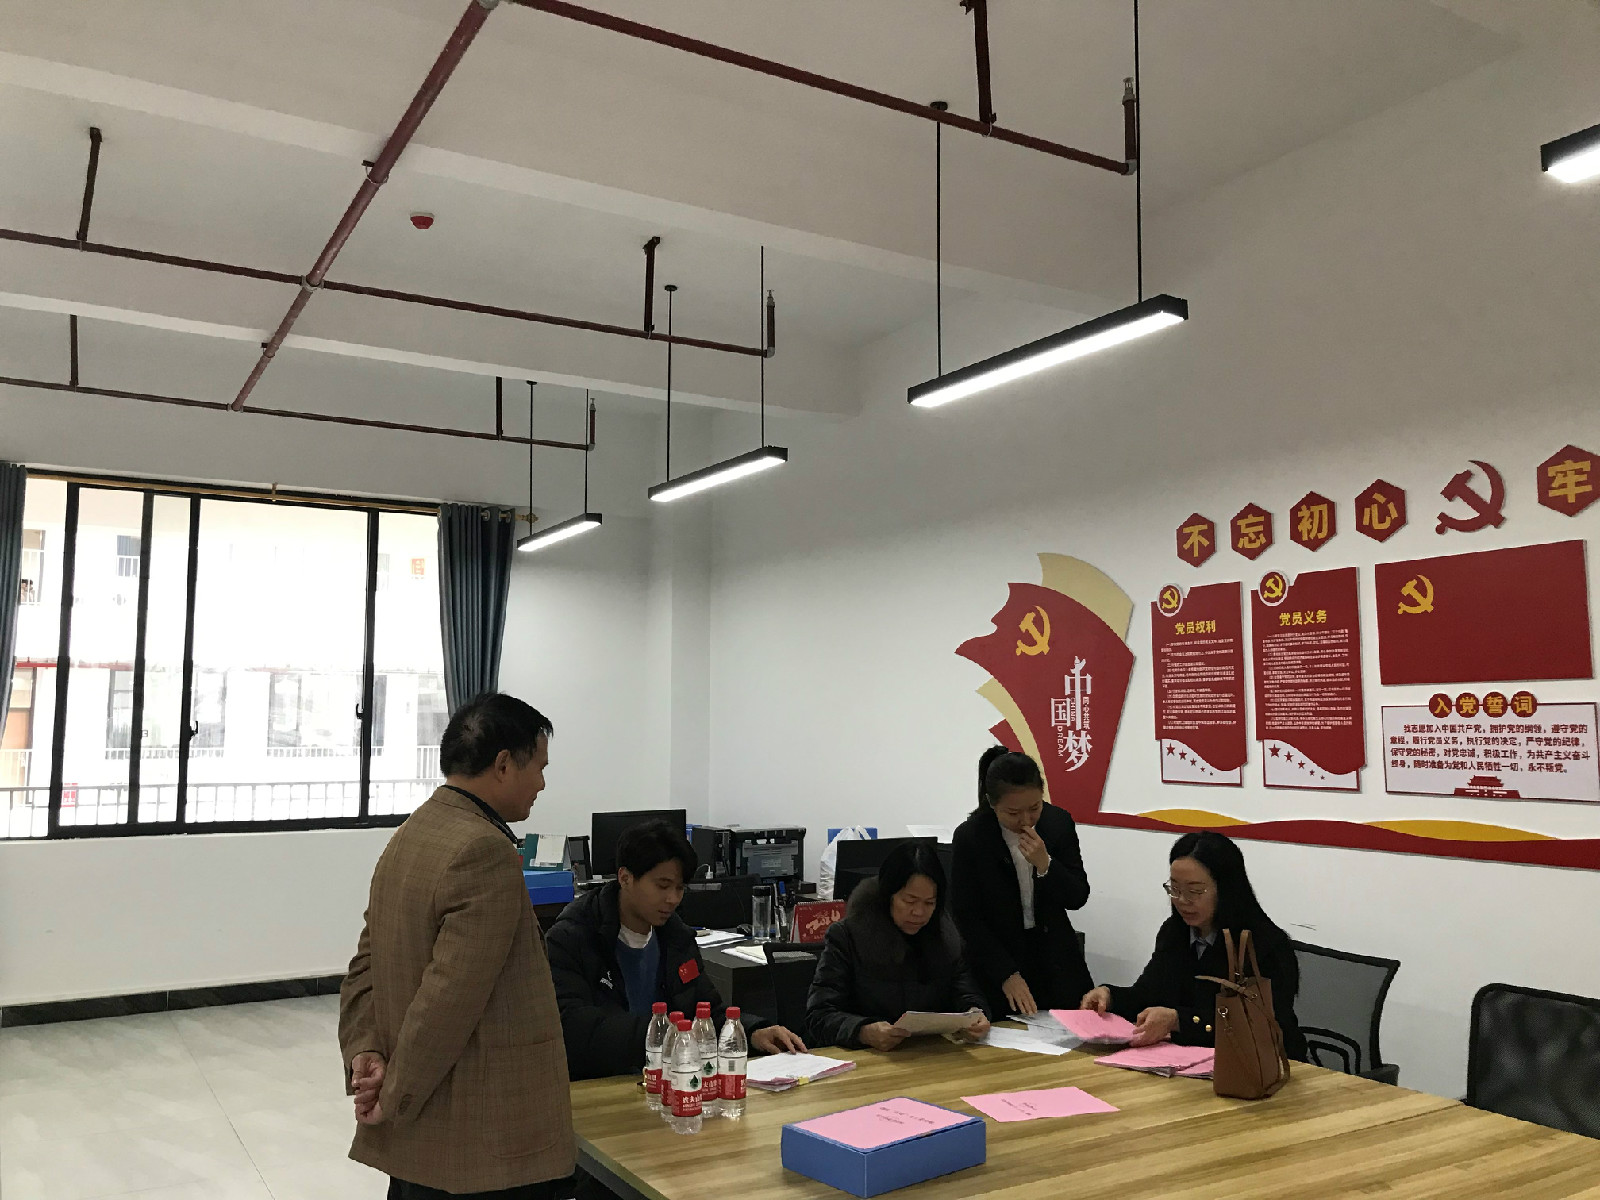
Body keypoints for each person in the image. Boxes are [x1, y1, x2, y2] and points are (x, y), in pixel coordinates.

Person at [339, 693, 575, 1200]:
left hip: (423, 1139)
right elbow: (449, 998)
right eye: (539, 767)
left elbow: (365, 966)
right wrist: (394, 1095)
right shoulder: (484, 849)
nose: (542, 783)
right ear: (504, 764)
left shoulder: (412, 832)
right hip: (481, 1141)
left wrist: (366, 1052)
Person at [547, 819, 808, 1080]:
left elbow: (706, 1014)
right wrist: (666, 1034)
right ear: (625, 878)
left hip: (672, 1081)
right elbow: (573, 1031)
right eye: (662, 886)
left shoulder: (676, 937)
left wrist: (751, 1032)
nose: (672, 899)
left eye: (680, 888)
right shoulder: (571, 938)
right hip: (601, 1084)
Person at [1081, 830, 1307, 1060]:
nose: (1182, 901)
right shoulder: (1175, 932)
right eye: (1175, 889)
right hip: (1190, 1063)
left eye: (1195, 891)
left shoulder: (1263, 945)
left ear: (1226, 889)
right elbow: (1148, 994)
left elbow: (1262, 1025)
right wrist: (1110, 996)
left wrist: (1179, 1021)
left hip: (1260, 1068)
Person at [950, 747, 1092, 1018]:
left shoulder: (1058, 823)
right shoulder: (972, 836)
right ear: (992, 803)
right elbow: (966, 915)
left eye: (1034, 808)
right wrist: (1005, 972)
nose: (1026, 820)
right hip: (999, 960)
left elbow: (1077, 896)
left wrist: (1046, 864)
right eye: (1013, 813)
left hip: (1055, 958)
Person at [806, 841, 990, 1050]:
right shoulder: (847, 937)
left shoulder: (945, 935)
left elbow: (966, 992)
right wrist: (863, 1031)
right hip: (866, 1057)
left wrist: (976, 1013)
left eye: (929, 903)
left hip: (932, 1055)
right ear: (888, 896)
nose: (919, 912)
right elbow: (819, 1015)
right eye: (909, 901)